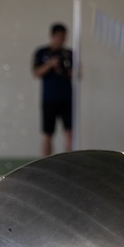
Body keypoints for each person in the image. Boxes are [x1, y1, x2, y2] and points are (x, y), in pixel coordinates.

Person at [32, 23, 74, 156]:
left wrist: (63, 69)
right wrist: (50, 64)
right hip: (49, 98)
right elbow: (36, 72)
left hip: (67, 98)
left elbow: (76, 73)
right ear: (52, 36)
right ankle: (46, 161)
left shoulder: (69, 54)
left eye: (63, 37)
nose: (61, 40)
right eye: (58, 37)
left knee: (69, 132)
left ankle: (70, 162)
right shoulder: (42, 53)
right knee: (48, 133)